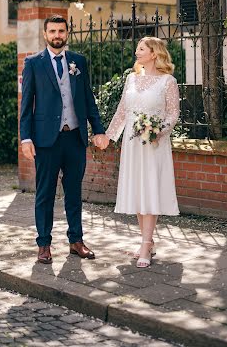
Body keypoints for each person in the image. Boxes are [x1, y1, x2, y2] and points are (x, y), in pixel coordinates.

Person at [19, 14, 108, 264]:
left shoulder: (78, 61)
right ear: (45, 34)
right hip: (46, 140)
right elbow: (26, 106)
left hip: (75, 138)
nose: (57, 35)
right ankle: (44, 244)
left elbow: (88, 99)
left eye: (61, 31)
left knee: (73, 192)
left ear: (67, 33)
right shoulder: (33, 63)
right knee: (45, 193)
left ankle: (76, 241)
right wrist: (26, 138)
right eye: (53, 31)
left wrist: (98, 130)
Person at [100, 36, 180, 268]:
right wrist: (108, 135)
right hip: (132, 143)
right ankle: (148, 240)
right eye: (137, 48)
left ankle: (145, 244)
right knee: (137, 190)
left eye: (141, 48)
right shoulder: (131, 79)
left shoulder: (168, 81)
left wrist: (158, 132)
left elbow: (173, 113)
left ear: (154, 53)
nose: (137, 51)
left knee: (150, 189)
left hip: (154, 144)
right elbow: (123, 111)